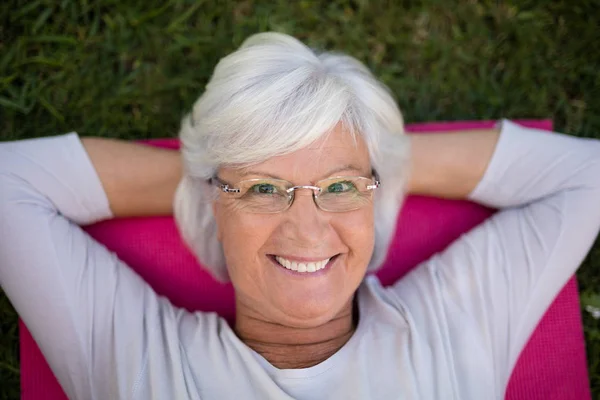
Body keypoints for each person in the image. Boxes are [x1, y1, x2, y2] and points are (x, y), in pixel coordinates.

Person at [1, 32, 599, 400]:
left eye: (340, 187)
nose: (307, 229)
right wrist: (213, 175)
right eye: (265, 191)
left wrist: (377, 161)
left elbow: (586, 175)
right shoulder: (137, 360)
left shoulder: (453, 327)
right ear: (213, 208)